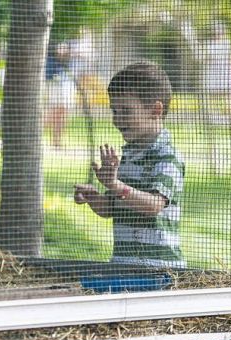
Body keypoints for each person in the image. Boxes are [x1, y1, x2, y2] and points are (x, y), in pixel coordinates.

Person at [73, 61, 185, 268]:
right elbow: (111, 208)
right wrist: (94, 198)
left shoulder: (168, 157)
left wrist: (115, 185)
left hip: (159, 269)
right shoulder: (126, 157)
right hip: (124, 264)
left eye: (126, 110)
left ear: (155, 110)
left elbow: (154, 205)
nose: (117, 119)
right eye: (115, 111)